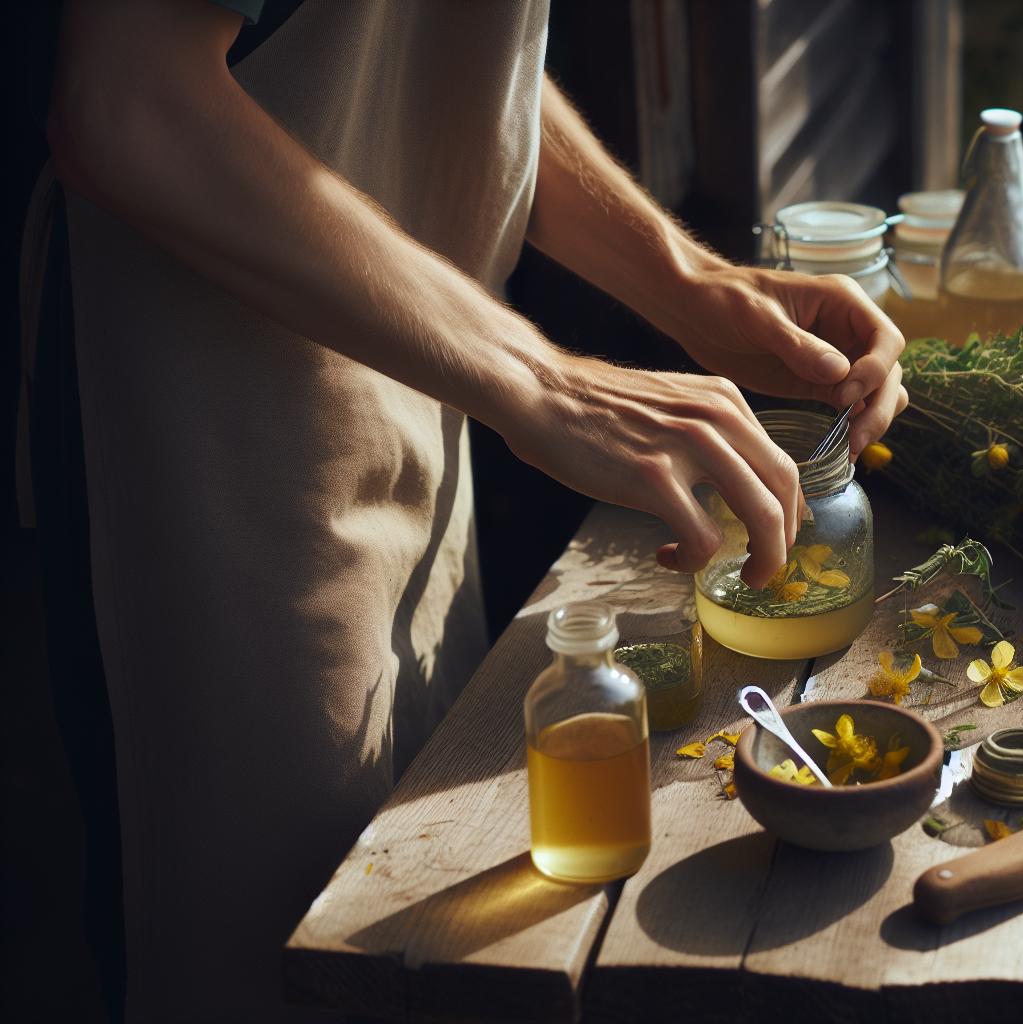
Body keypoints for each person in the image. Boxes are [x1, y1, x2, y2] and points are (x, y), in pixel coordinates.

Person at [41, 0, 906, 1018]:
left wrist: (693, 285)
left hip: (419, 391)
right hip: (209, 456)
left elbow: (457, 62)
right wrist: (544, 380)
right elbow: (131, 101)